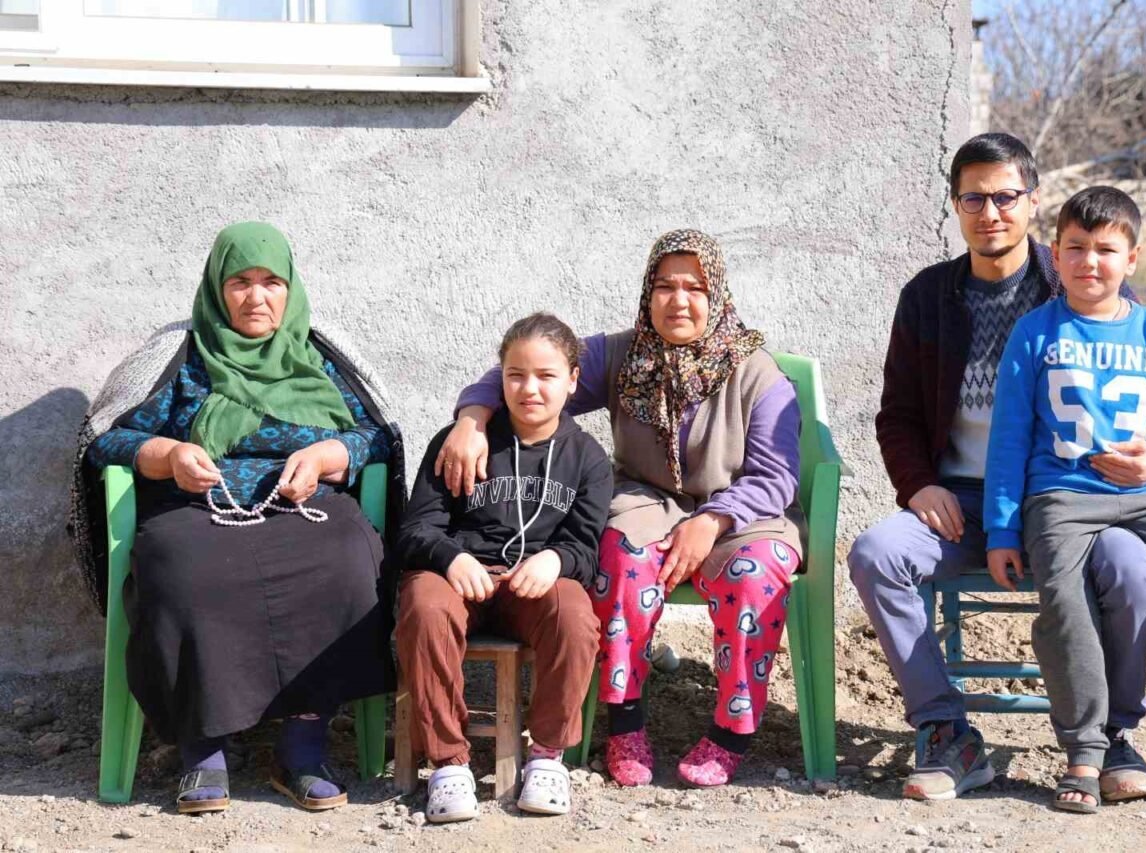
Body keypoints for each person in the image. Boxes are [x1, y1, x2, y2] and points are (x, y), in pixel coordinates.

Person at [847, 133, 1146, 802]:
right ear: (955, 204)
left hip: (1076, 503)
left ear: (1034, 201)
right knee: (876, 554)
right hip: (965, 506)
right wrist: (919, 484)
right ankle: (948, 732)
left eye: (1006, 196)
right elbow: (897, 415)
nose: (991, 212)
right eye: (973, 198)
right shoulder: (927, 297)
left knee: (1131, 568)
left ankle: (1112, 734)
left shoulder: (1076, 278)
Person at [437, 229, 804, 788]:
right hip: (648, 503)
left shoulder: (758, 373)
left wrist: (711, 521)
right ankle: (625, 722)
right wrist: (472, 419)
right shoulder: (622, 354)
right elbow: (526, 367)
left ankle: (732, 731)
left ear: (718, 295)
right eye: (665, 286)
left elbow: (775, 476)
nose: (678, 301)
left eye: (695, 288)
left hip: (740, 514)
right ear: (647, 293)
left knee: (755, 575)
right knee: (618, 557)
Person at [72, 222, 402, 814]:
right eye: (240, 282)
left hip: (303, 509)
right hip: (198, 510)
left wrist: (328, 454)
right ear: (216, 289)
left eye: (271, 282)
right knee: (181, 568)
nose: (256, 297)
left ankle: (302, 747)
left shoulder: (321, 356)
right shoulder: (180, 356)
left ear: (290, 288)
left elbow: (378, 435)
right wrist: (169, 455)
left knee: (350, 558)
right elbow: (106, 439)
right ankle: (202, 751)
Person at [985, 186, 1146, 814]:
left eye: (1106, 250)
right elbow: (1009, 437)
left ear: (1131, 259)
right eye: (1076, 247)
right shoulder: (1035, 332)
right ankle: (1084, 755)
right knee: (1064, 600)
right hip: (1061, 496)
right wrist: (1002, 529)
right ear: (1055, 253)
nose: (1090, 262)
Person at [394, 313, 612, 822]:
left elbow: (585, 547)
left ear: (573, 380)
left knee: (574, 614)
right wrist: (451, 557)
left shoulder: (588, 459)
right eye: (516, 375)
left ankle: (548, 756)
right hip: (459, 577)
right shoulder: (459, 442)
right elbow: (415, 529)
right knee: (424, 606)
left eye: (546, 376)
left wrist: (556, 558)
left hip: (530, 586)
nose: (529, 389)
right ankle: (448, 764)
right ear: (500, 378)